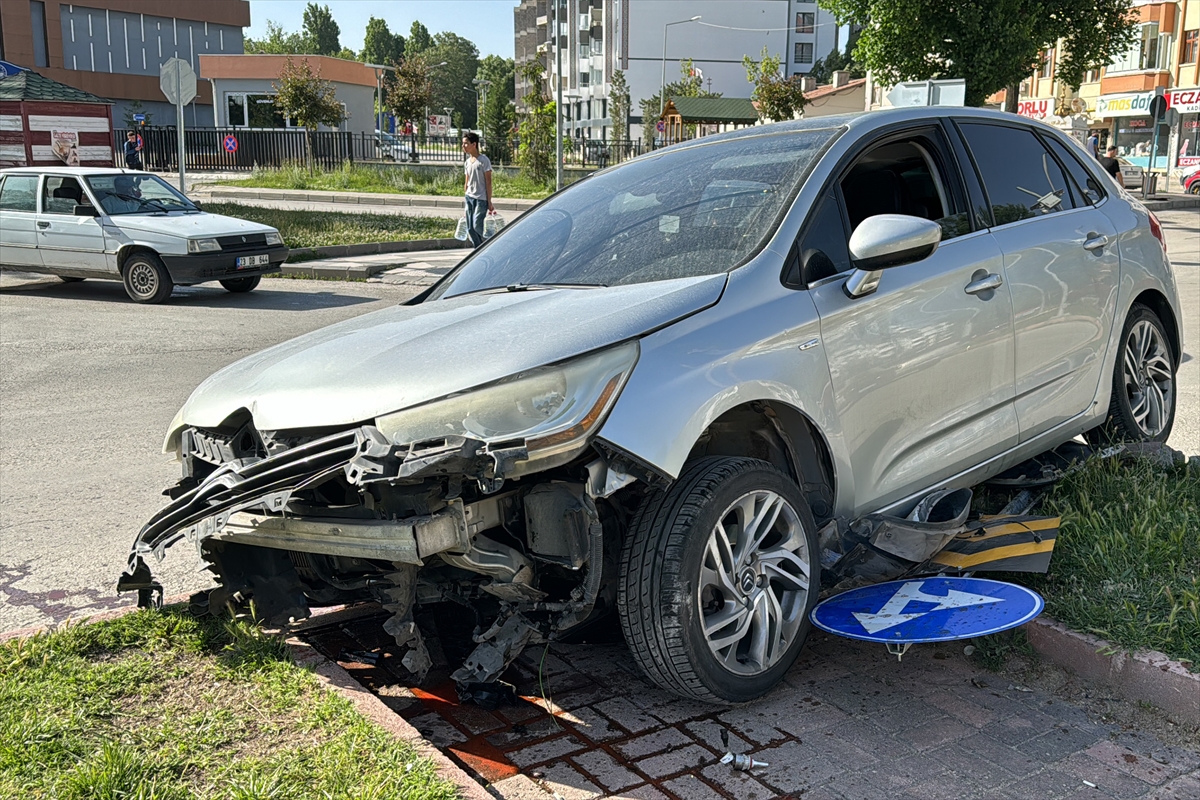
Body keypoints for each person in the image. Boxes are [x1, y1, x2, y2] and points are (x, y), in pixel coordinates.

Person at [462, 132, 493, 248]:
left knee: (476, 226)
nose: (463, 146)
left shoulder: (484, 160)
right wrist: (466, 194)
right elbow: (467, 180)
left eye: (466, 144)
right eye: (463, 144)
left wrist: (489, 201)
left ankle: (483, 247)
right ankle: (477, 249)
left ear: (474, 144)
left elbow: (488, 182)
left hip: (481, 199)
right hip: (469, 197)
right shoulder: (467, 162)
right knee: (470, 228)